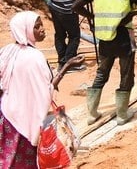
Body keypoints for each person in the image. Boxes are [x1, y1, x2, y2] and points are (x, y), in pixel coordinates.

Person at [0, 12, 84, 167]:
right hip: (26, 120)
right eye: (36, 27)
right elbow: (46, 91)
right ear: (24, 30)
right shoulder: (35, 57)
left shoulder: (7, 51)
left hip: (7, 115)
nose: (42, 29)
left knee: (6, 157)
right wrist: (66, 66)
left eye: (41, 25)